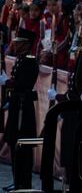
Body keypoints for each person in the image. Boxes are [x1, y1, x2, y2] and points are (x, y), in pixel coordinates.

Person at [0, 29, 39, 191]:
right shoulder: (21, 59)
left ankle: (24, 181)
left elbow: (23, 84)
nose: (14, 45)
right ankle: (17, 180)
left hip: (23, 107)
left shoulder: (29, 61)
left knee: (22, 144)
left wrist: (8, 83)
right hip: (17, 105)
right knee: (14, 142)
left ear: (26, 44)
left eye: (18, 43)